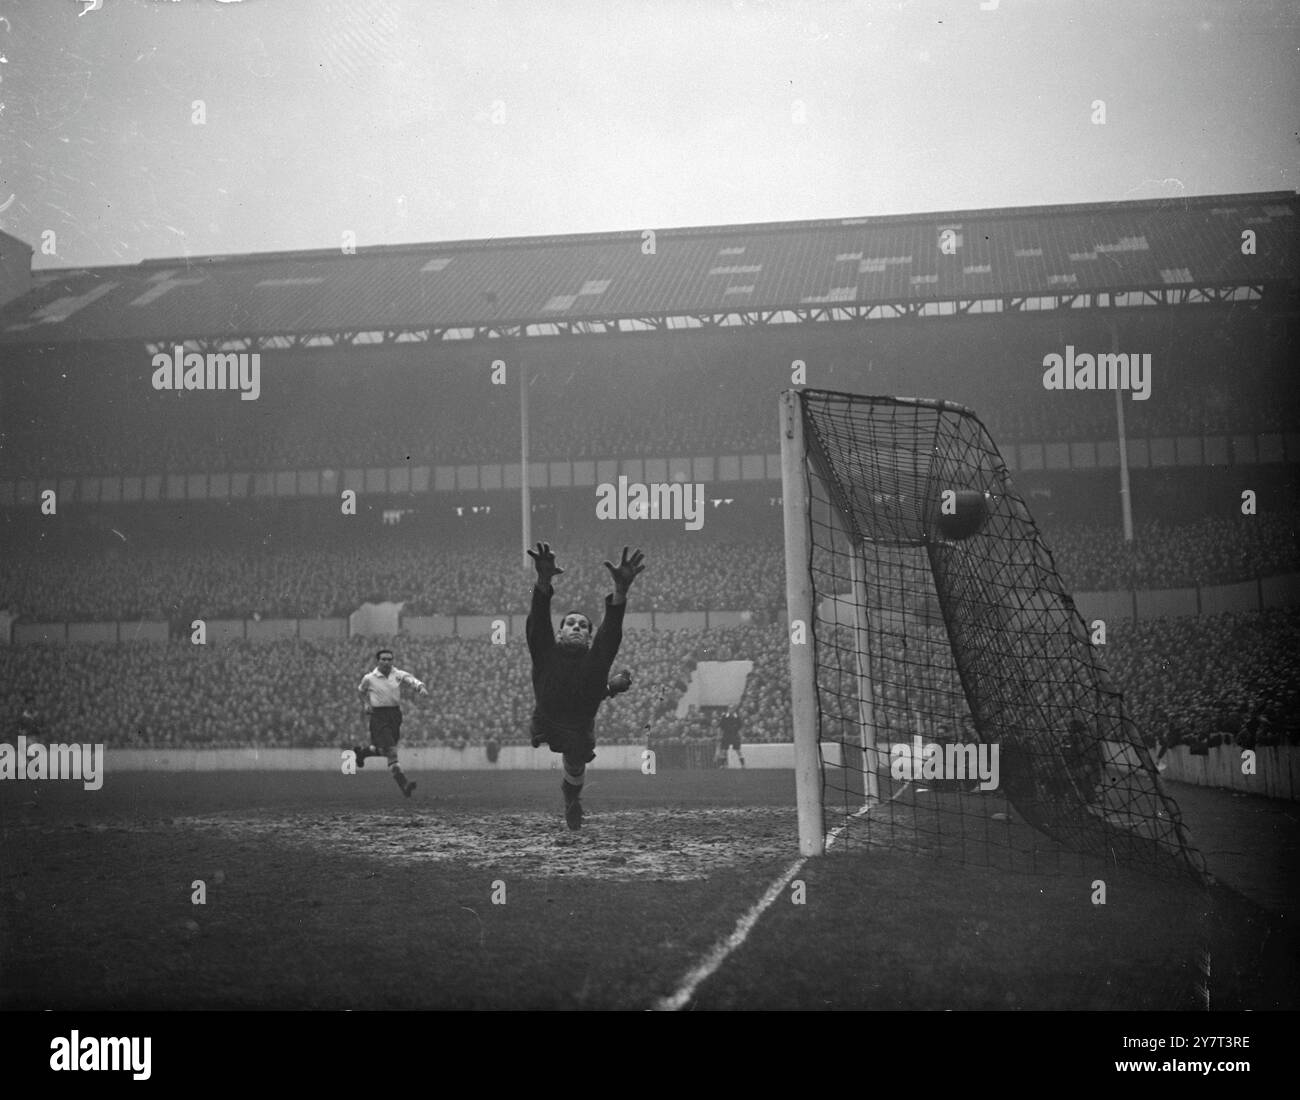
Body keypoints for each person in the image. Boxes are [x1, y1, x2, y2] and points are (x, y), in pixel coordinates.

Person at [526, 542, 643, 830]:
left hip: (579, 726)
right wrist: (543, 581)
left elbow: (610, 633)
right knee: (572, 755)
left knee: (575, 765)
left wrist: (621, 592)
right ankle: (571, 796)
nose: (577, 627)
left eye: (583, 626)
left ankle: (571, 802)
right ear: (560, 633)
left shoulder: (595, 660)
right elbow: (538, 621)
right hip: (547, 720)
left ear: (589, 638)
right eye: (571, 624)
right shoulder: (545, 652)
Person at [353, 647, 426, 797]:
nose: (386, 662)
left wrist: (420, 687)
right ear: (378, 661)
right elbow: (361, 691)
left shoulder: (397, 674)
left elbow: (410, 679)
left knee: (387, 751)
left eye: (389, 659)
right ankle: (404, 784)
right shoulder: (370, 678)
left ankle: (363, 753)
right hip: (379, 716)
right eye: (383, 659)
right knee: (391, 751)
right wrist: (366, 704)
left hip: (395, 715)